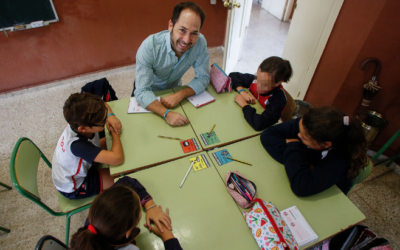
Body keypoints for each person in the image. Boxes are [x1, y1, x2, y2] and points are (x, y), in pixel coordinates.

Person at [260, 106, 368, 196]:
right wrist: (300, 163)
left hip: (327, 200)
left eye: (304, 138)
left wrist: (294, 147)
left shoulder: (340, 160)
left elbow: (301, 188)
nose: (298, 135)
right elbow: (268, 135)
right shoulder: (308, 124)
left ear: (325, 144)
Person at [133, 2, 210, 127]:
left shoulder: (200, 43)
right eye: (182, 30)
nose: (186, 40)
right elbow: (141, 91)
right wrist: (166, 114)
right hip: (149, 93)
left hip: (174, 92)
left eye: (194, 33)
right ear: (170, 25)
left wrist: (179, 95)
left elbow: (203, 77)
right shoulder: (149, 46)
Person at [70, 176, 180, 250]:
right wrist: (166, 233)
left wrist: (150, 205)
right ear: (128, 233)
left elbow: (127, 181)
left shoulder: (93, 220)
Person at [52, 93, 124, 199]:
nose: (105, 120)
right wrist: (115, 132)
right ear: (83, 128)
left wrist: (110, 116)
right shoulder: (78, 145)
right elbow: (118, 159)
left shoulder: (79, 120)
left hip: (76, 165)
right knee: (124, 178)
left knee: (113, 148)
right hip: (74, 186)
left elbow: (103, 104)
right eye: (103, 121)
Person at [229, 56, 293, 131]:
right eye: (257, 78)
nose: (258, 86)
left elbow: (259, 123)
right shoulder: (259, 79)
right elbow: (232, 75)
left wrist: (244, 105)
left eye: (264, 84)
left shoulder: (278, 100)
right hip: (246, 121)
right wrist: (242, 91)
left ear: (278, 83)